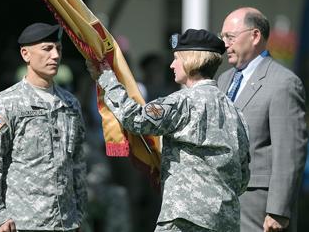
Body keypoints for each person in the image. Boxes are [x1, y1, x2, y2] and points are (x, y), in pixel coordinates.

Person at [87, 29, 250, 231]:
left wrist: (107, 79)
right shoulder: (236, 112)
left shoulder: (182, 102)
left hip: (185, 219)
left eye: (176, 58)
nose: (172, 65)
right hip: (225, 221)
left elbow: (135, 119)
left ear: (191, 60)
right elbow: (243, 176)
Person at [0, 22, 87, 232]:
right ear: (26, 54)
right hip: (21, 223)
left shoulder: (70, 104)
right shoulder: (5, 104)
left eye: (58, 49)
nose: (55, 56)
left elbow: (77, 162)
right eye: (47, 49)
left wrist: (79, 212)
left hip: (66, 223)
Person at [217, 7, 308, 232]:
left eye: (230, 37)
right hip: (220, 202)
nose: (224, 44)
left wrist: (278, 210)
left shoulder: (283, 82)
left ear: (255, 36)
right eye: (222, 37)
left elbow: (289, 152)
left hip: (258, 207)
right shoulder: (223, 80)